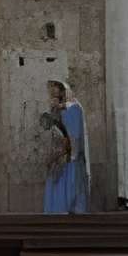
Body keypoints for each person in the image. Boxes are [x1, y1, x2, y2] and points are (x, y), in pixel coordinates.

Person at [41, 78, 90, 214]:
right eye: (51, 86)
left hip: (68, 161)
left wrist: (56, 155)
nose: (52, 90)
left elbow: (72, 139)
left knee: (68, 199)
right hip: (59, 161)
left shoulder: (73, 109)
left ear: (63, 89)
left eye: (56, 86)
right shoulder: (57, 110)